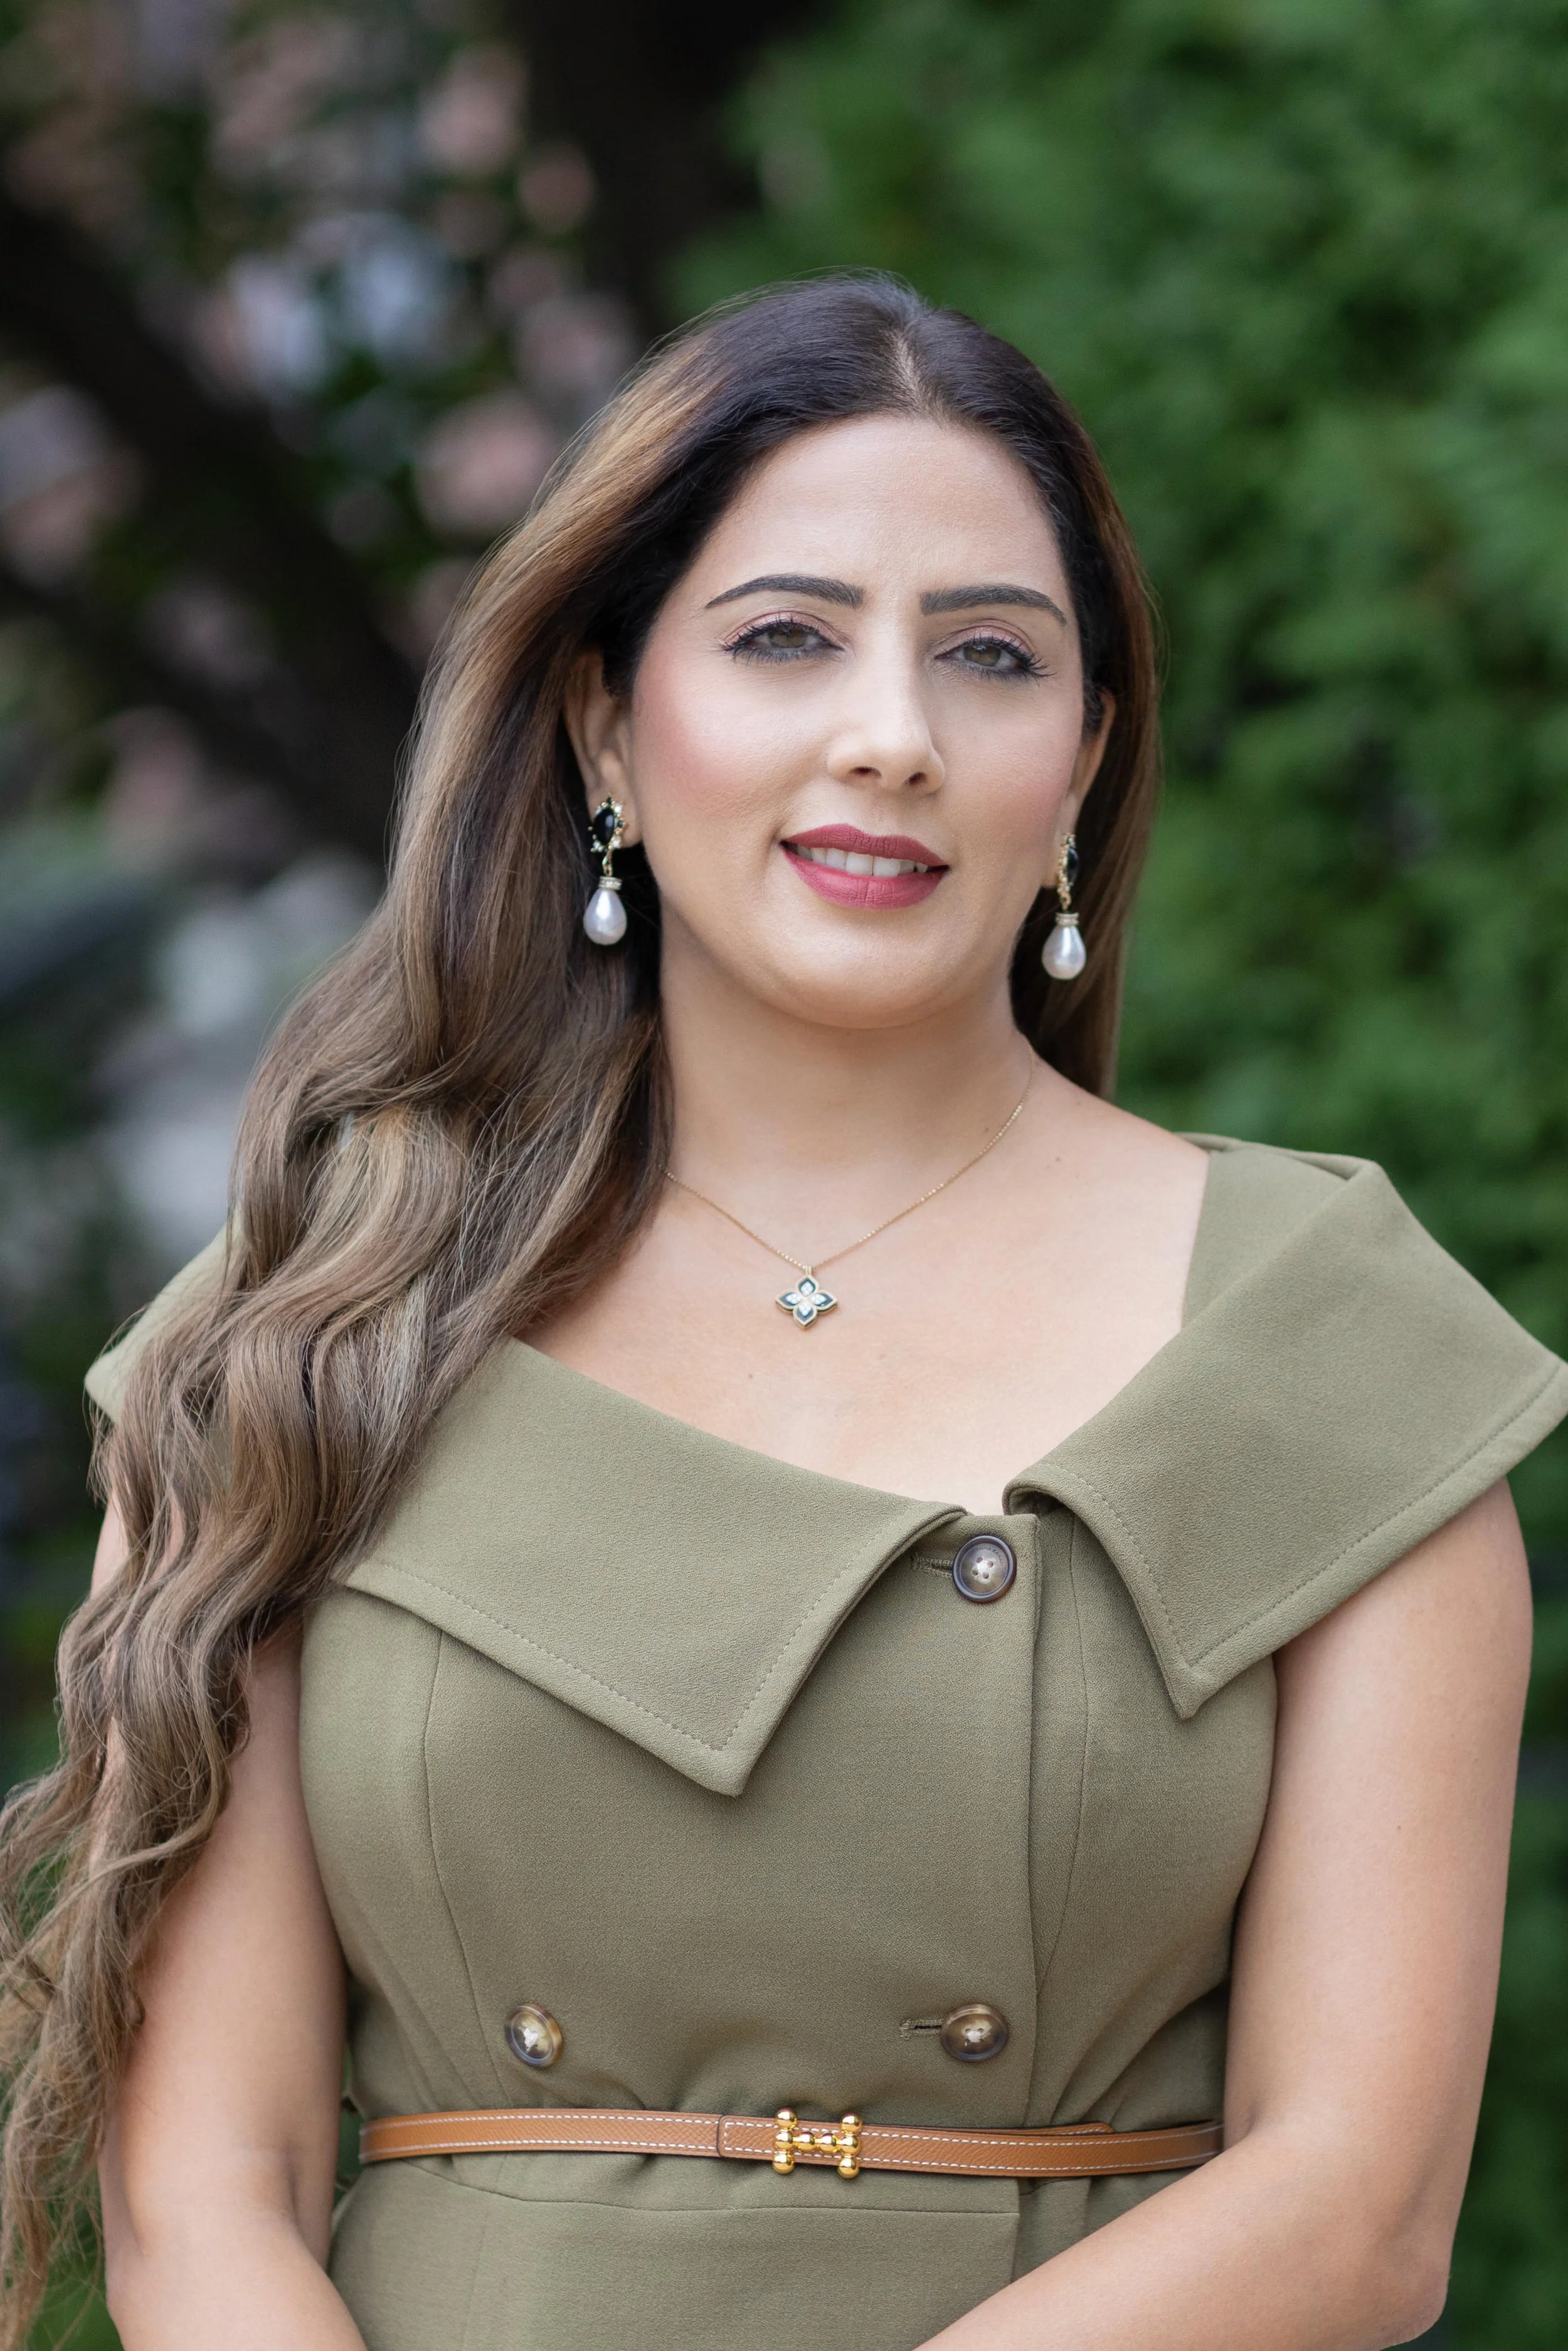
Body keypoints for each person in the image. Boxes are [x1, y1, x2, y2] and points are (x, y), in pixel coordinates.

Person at [2, 275, 1563, 2351]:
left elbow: (1354, 2202)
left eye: (989, 655)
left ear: (1082, 761)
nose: (892, 732)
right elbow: (206, 2188)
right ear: (603, 727)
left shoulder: (1331, 1347)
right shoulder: (312, 1327)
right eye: (783, 638)